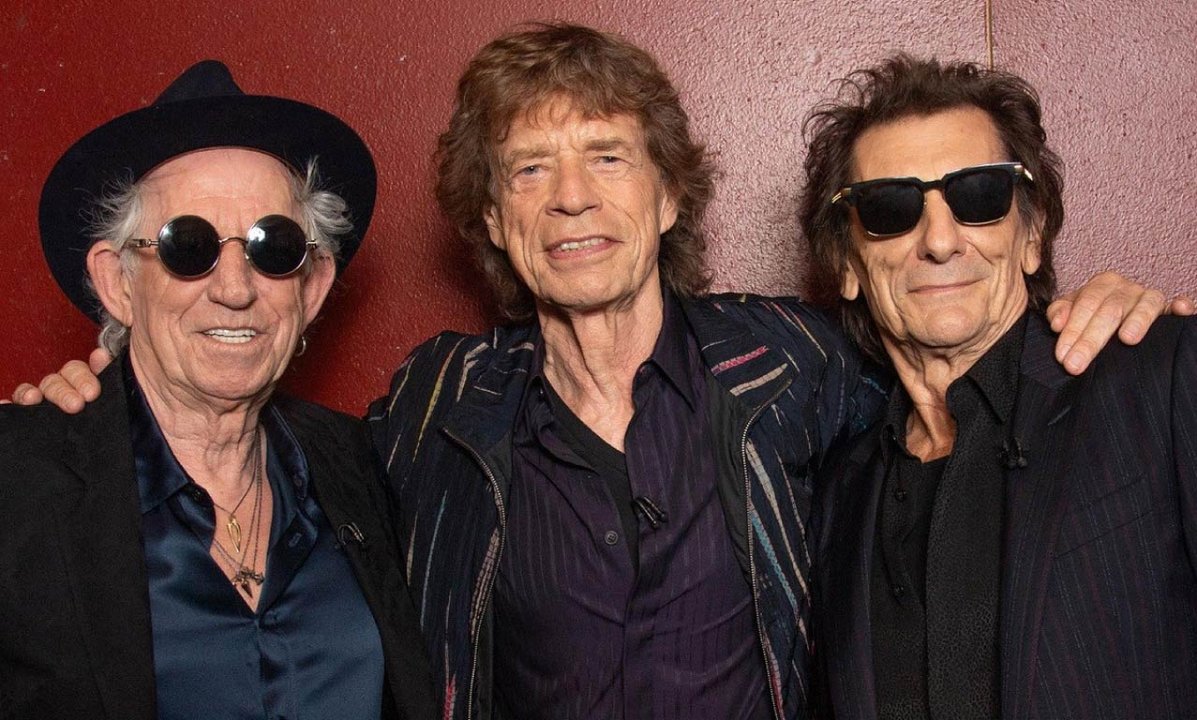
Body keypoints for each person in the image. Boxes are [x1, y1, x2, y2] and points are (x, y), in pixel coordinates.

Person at [15, 26, 1184, 720]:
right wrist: (95, 396)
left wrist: (1097, 314)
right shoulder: (432, 411)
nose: (572, 198)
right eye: (530, 170)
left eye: (609, 157)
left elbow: (950, 342)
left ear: (670, 196)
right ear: (491, 218)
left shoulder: (796, 365)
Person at [0, 61, 435, 719]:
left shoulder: (369, 467)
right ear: (119, 282)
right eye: (188, 245)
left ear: (313, 286)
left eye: (273, 247)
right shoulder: (20, 483)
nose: (235, 289)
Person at [802, 55, 1197, 719]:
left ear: (1031, 234)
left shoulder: (1159, 376)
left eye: (979, 196)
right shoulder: (837, 492)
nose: (939, 240)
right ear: (846, 262)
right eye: (890, 208)